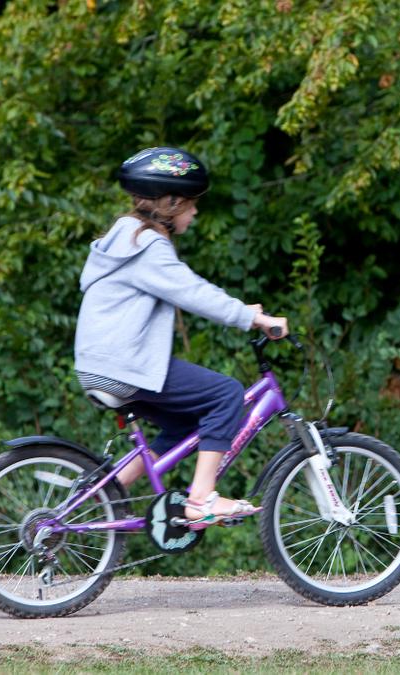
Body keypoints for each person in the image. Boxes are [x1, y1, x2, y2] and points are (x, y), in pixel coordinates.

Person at [73, 146, 288, 529]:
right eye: (192, 203)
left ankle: (106, 493)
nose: (196, 211)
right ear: (171, 202)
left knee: (185, 424)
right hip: (123, 365)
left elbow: (186, 289)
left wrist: (244, 313)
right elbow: (193, 292)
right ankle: (201, 499)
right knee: (225, 394)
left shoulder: (127, 239)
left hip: (100, 365)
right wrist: (252, 318)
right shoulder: (147, 246)